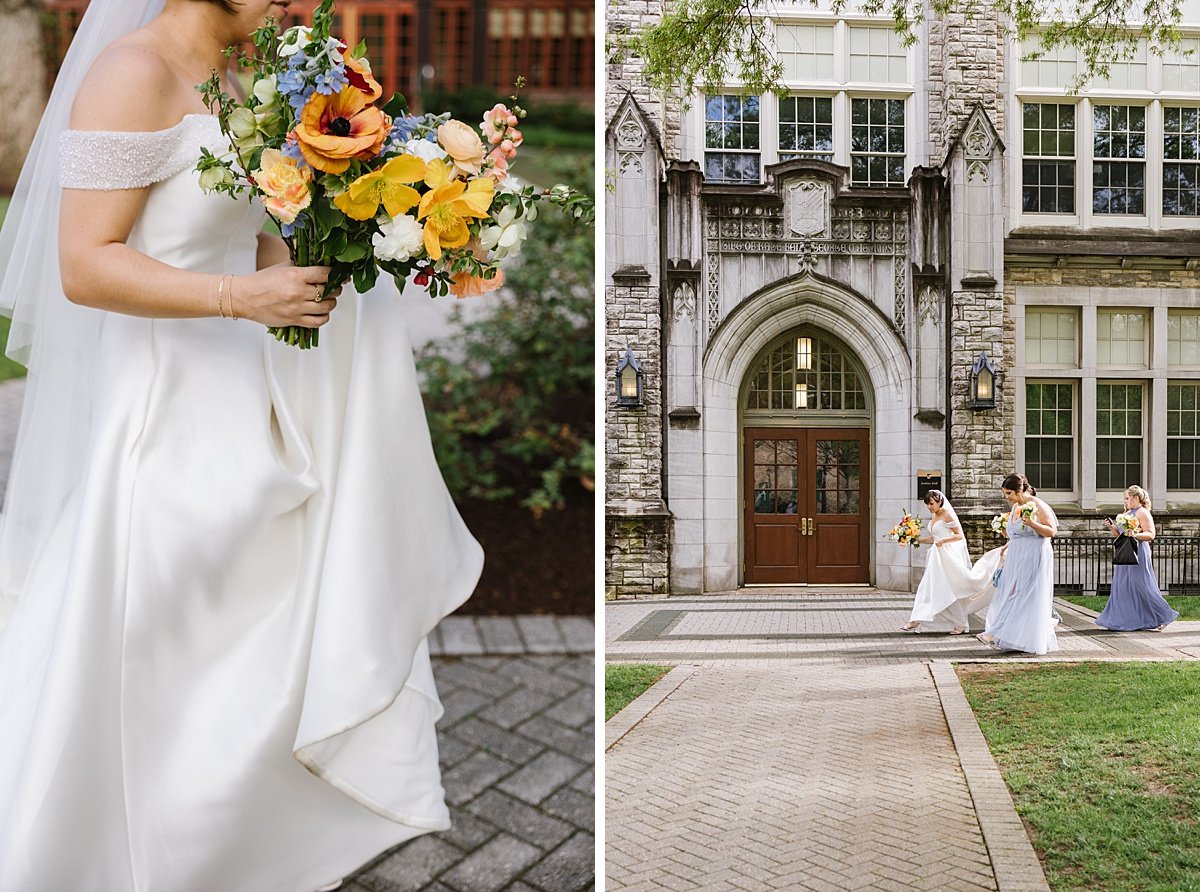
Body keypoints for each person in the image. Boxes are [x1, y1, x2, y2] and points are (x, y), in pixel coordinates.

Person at [0, 2, 483, 890]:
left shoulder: (244, 83)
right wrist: (238, 299)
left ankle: (229, 862)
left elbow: (263, 243)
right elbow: (84, 264)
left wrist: (408, 217)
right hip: (165, 429)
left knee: (243, 678)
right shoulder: (131, 75)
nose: (299, 1)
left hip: (254, 416)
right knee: (159, 669)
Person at [977, 473, 1058, 654]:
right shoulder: (1015, 508)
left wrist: (1033, 523)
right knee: (1012, 592)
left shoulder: (1037, 505)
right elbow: (1016, 533)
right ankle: (1013, 636)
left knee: (1023, 594)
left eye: (1009, 493)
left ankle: (995, 632)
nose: (1007, 497)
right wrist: (1007, 545)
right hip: (1017, 557)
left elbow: (1051, 531)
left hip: (1034, 555)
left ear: (1019, 490)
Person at [902, 490, 1002, 634]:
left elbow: (959, 536)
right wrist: (917, 540)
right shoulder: (934, 515)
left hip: (947, 557)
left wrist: (944, 541)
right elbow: (934, 537)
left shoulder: (947, 514)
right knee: (928, 587)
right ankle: (916, 619)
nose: (929, 507)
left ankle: (959, 624)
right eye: (927, 505)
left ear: (939, 502)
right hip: (936, 557)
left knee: (948, 589)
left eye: (931, 504)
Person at [1096, 485, 1179, 632]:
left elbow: (1150, 535)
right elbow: (1122, 535)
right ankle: (1121, 620)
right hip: (1125, 552)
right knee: (1122, 586)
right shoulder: (1127, 513)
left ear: (1136, 498)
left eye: (1127, 498)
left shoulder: (1142, 513)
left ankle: (1163, 615)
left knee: (1142, 586)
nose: (1125, 501)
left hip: (1138, 552)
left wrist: (1134, 535)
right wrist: (1112, 527)